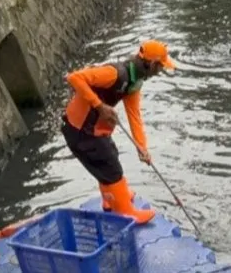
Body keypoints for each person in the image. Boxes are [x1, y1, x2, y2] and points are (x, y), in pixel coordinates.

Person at [61, 40, 176, 224]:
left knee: (109, 155)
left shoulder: (134, 83)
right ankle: (125, 212)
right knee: (111, 168)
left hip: (93, 129)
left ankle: (111, 199)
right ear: (153, 64)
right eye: (161, 67)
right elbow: (74, 78)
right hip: (79, 128)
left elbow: (134, 116)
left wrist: (141, 147)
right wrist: (100, 106)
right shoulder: (114, 73)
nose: (161, 71)